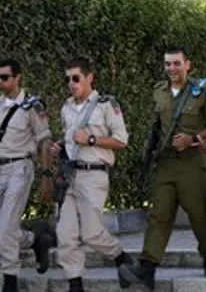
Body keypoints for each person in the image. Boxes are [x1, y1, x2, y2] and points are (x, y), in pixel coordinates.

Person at [135, 48, 206, 290]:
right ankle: (148, 264)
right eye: (167, 65)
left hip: (192, 163)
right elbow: (157, 128)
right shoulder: (159, 92)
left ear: (188, 65)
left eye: (176, 64)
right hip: (166, 163)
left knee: (200, 215)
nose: (171, 69)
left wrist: (194, 137)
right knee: (159, 215)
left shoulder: (202, 91)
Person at [49, 58, 139, 292]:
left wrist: (91, 139)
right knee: (65, 233)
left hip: (93, 175)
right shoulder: (65, 107)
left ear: (89, 78)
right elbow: (70, 139)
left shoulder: (106, 105)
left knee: (91, 233)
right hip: (69, 175)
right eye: (68, 79)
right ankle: (75, 284)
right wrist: (59, 146)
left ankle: (121, 258)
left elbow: (121, 140)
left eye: (76, 78)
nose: (71, 83)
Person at [0, 59, 53, 292]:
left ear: (18, 78)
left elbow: (45, 140)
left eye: (4, 77)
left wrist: (46, 175)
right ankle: (35, 241)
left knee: (5, 226)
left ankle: (10, 280)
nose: (0, 82)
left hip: (20, 168)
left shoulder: (32, 106)